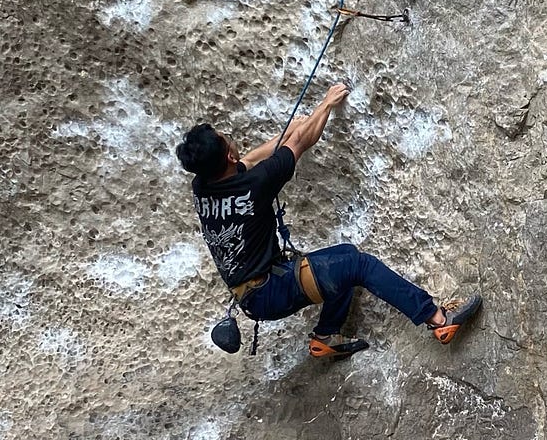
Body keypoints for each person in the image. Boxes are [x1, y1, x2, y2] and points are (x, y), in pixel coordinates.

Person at [176, 82, 482, 360]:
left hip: (256, 290)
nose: (228, 139)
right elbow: (303, 142)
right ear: (228, 156)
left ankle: (325, 337)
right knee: (359, 266)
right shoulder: (255, 185)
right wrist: (324, 105)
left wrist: (289, 132)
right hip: (271, 288)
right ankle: (438, 319)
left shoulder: (203, 185)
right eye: (223, 138)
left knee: (345, 257)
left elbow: (250, 160)